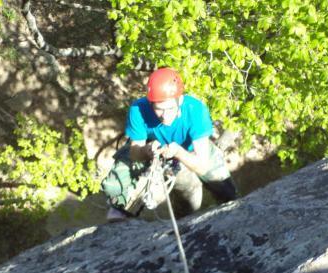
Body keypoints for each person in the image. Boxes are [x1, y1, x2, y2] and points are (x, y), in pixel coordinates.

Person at [101, 67, 237, 222]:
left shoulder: (195, 110)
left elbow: (202, 164)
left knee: (226, 191)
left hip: (191, 149)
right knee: (113, 185)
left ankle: (230, 212)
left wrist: (178, 152)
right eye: (159, 110)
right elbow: (134, 153)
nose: (165, 116)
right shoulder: (138, 109)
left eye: (170, 108)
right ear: (151, 103)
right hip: (152, 146)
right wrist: (147, 151)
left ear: (180, 100)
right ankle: (121, 210)